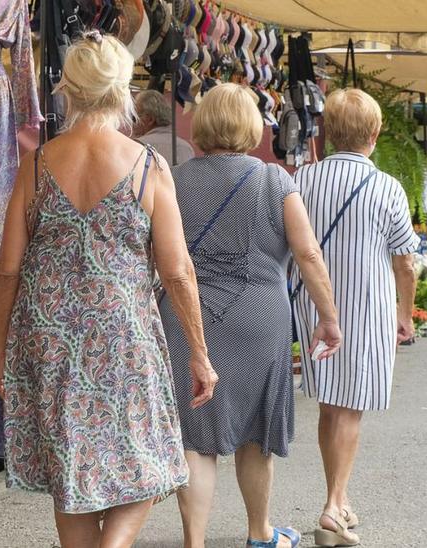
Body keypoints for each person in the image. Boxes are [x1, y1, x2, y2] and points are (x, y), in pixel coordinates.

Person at [0, 32, 217, 548]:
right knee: (152, 454)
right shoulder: (147, 166)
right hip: (124, 334)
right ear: (124, 91)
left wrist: (2, 349)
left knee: (70, 472)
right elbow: (178, 270)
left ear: (66, 90)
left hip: (49, 340)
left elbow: (8, 270)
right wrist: (200, 355)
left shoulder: (36, 165)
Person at [162, 83, 343, 548]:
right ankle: (261, 533)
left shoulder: (173, 179)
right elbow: (308, 253)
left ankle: (194, 542)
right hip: (261, 320)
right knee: (256, 434)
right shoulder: (275, 181)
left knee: (195, 436)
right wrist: (328, 317)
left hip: (188, 318)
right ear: (250, 125)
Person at [290, 89, 420, 547]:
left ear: (325, 132)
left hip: (315, 308)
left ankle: (338, 498)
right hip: (366, 310)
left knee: (331, 404)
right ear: (375, 132)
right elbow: (405, 261)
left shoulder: (302, 180)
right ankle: (333, 504)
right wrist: (406, 314)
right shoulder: (387, 188)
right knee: (350, 408)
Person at [133, 89, 196, 166]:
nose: (131, 123)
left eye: (134, 117)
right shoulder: (187, 149)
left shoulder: (137, 146)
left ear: (150, 119)